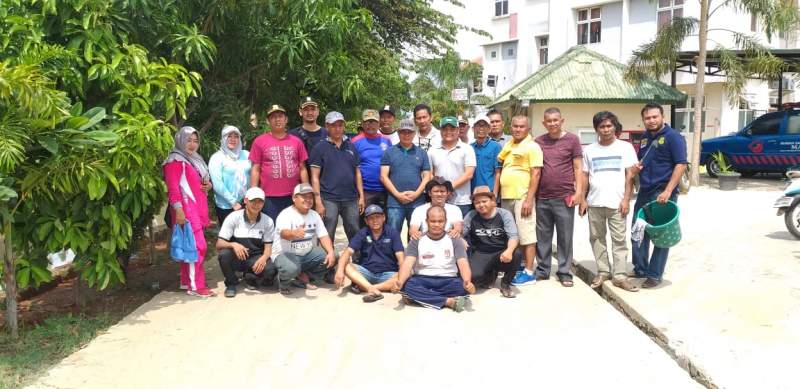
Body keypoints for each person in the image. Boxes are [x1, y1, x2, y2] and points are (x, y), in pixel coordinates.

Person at [579, 111, 640, 292]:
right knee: (597, 239)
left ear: (615, 127)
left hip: (617, 203)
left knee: (619, 241)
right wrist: (582, 199)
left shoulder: (625, 148)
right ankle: (603, 271)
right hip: (594, 203)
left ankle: (620, 276)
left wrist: (626, 200)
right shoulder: (589, 150)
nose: (605, 130)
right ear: (596, 129)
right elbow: (584, 175)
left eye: (609, 126)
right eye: (601, 127)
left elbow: (630, 176)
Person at [630, 102, 687, 288]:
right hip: (645, 191)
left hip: (663, 193)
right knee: (638, 231)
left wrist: (668, 191)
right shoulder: (645, 137)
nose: (651, 120)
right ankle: (640, 268)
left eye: (655, 116)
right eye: (647, 118)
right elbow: (646, 160)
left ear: (662, 117)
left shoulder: (674, 137)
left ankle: (654, 275)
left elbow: (680, 164)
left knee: (662, 234)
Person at [529, 107, 584, 288]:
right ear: (543, 123)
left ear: (562, 121)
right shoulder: (538, 142)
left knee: (565, 237)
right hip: (542, 197)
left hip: (564, 197)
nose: (552, 124)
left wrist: (579, 193)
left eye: (555, 120)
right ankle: (543, 269)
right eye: (549, 121)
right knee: (542, 236)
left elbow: (578, 168)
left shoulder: (573, 140)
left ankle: (564, 271)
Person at [163, 126, 214, 297]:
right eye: (188, 140)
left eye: (195, 140)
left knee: (189, 245)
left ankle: (187, 281)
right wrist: (178, 211)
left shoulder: (194, 159)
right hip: (185, 209)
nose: (192, 144)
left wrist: (208, 185)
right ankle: (197, 286)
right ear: (180, 140)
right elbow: (173, 188)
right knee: (198, 247)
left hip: (197, 208)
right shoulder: (175, 161)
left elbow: (198, 182)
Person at [392, 206, 475, 312]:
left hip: (448, 280)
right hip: (422, 279)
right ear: (426, 221)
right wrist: (400, 282)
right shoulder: (417, 240)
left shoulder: (455, 239)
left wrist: (468, 282)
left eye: (440, 221)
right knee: (407, 286)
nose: (437, 224)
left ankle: (422, 298)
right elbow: (407, 264)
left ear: (445, 222)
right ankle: (448, 301)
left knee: (463, 289)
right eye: (433, 221)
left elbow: (463, 263)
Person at [497, 115, 542, 286]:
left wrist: (529, 199)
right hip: (507, 196)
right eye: (515, 126)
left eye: (521, 126)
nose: (517, 129)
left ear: (528, 128)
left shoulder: (532, 147)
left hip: (522, 197)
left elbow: (536, 173)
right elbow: (501, 163)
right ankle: (517, 267)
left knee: (527, 235)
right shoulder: (510, 145)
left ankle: (529, 272)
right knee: (512, 234)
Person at [272, 183, 337, 294]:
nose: (308, 200)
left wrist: (330, 252)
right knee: (291, 269)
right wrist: (294, 233)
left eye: (310, 197)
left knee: (334, 256)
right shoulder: (286, 214)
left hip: (306, 254)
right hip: (286, 254)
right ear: (294, 198)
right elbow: (284, 233)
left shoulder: (314, 215)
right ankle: (282, 281)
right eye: (304, 197)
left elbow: (324, 235)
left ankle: (302, 277)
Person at [309, 111, 365, 240]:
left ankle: (356, 258)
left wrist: (361, 196)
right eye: (333, 125)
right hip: (328, 198)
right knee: (327, 233)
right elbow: (315, 177)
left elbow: (357, 173)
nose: (337, 128)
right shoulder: (320, 148)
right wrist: (317, 201)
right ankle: (327, 259)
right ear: (327, 126)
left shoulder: (351, 146)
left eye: (340, 125)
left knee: (354, 230)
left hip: (351, 197)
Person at [249, 104, 309, 221]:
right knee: (272, 229)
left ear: (286, 119)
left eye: (280, 116)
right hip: (269, 196)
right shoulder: (259, 141)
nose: (277, 119)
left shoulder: (297, 141)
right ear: (268, 121)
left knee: (294, 228)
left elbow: (302, 168)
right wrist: (253, 193)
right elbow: (255, 169)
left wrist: (306, 191)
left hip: (294, 195)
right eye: (273, 117)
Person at [334, 205, 404, 303]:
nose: (375, 221)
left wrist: (401, 276)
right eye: (371, 218)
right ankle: (374, 287)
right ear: (366, 221)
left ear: (383, 218)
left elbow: (401, 258)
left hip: (388, 274)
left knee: (407, 272)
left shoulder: (392, 233)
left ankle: (369, 288)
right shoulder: (362, 233)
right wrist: (340, 271)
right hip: (366, 273)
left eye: (377, 217)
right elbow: (347, 252)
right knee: (345, 265)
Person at [216, 187, 277, 298]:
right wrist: (233, 244)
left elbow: (268, 247)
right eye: (253, 201)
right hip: (237, 256)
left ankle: (250, 275)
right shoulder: (233, 217)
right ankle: (231, 283)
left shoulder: (268, 221)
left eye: (260, 201)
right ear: (245, 201)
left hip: (255, 256)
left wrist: (263, 259)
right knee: (224, 255)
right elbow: (219, 244)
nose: (256, 204)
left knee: (271, 270)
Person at [463, 186, 522, 298]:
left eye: (484, 201)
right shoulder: (471, 215)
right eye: (477, 202)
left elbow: (514, 236)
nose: (481, 205)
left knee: (516, 254)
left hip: (501, 253)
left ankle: (505, 284)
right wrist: (460, 239)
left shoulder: (504, 214)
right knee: (474, 278)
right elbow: (459, 232)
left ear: (492, 201)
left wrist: (509, 250)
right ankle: (490, 274)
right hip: (481, 253)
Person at [380, 118, 432, 234]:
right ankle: (393, 253)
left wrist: (416, 194)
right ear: (398, 133)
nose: (406, 135)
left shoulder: (422, 153)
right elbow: (383, 176)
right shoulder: (389, 152)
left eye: (409, 132)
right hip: (394, 202)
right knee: (392, 234)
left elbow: (427, 176)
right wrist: (398, 195)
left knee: (416, 234)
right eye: (403, 132)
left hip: (417, 201)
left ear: (414, 133)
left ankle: (411, 253)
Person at [428, 116, 476, 216]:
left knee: (460, 230)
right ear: (440, 131)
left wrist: (448, 188)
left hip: (461, 201)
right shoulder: (432, 150)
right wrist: (441, 191)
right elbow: (429, 173)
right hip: (439, 200)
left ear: (458, 130)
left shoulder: (467, 149)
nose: (448, 132)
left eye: (452, 129)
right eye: (445, 129)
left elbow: (469, 174)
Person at [208, 125, 251, 225]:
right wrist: (233, 202)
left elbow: (253, 175)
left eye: (236, 136)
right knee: (229, 237)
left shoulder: (246, 154)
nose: (233, 139)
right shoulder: (217, 158)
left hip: (246, 203)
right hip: (227, 206)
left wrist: (250, 197)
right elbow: (217, 184)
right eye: (229, 136)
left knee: (246, 236)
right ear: (223, 138)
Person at [352, 109, 392, 211]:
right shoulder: (355, 142)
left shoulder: (386, 141)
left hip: (384, 190)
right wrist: (359, 195)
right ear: (362, 123)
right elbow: (352, 168)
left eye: (373, 122)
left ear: (379, 124)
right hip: (365, 191)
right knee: (364, 222)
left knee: (384, 222)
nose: (370, 125)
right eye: (367, 122)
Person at [470, 113, 502, 197]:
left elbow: (498, 173)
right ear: (473, 129)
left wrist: (494, 194)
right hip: (474, 193)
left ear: (489, 129)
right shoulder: (470, 148)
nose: (481, 129)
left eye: (484, 126)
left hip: (489, 193)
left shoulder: (495, 146)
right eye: (478, 126)